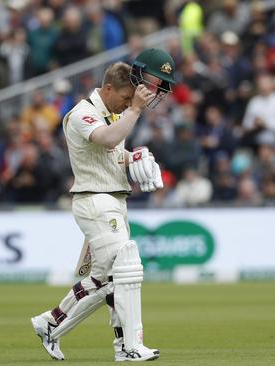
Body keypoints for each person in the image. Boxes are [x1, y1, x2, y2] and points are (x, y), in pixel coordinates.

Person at [31, 48, 176, 362]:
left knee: (103, 280)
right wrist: (134, 111)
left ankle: (50, 323)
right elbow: (108, 139)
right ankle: (127, 346)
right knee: (126, 270)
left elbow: (112, 154)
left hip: (113, 199)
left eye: (129, 102)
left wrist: (136, 157)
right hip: (94, 201)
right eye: (125, 98)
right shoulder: (82, 114)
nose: (127, 104)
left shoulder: (112, 114)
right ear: (108, 88)